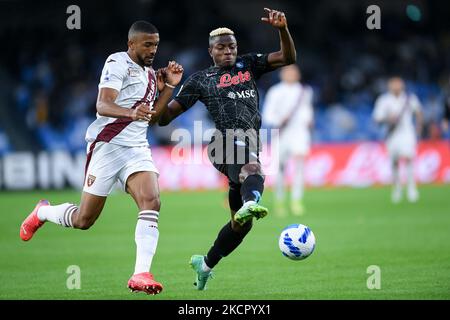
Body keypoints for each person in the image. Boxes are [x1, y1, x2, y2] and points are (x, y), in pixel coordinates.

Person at [19, 21, 184, 295]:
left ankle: (140, 273)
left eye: (155, 44)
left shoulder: (152, 75)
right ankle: (43, 212)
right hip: (107, 145)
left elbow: (152, 118)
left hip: (136, 148)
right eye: (147, 44)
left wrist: (169, 87)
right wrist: (130, 113)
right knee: (84, 220)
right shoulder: (116, 63)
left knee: (152, 200)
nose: (153, 49)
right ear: (131, 44)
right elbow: (102, 104)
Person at [157, 8, 296, 290]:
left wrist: (282, 29)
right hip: (222, 143)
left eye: (232, 46)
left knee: (240, 226)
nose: (228, 51)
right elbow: (163, 118)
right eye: (221, 47)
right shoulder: (200, 80)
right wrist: (168, 89)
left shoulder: (249, 65)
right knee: (253, 168)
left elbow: (288, 58)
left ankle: (205, 264)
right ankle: (251, 202)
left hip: (249, 143)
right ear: (211, 52)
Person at [262, 64, 313, 216]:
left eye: (294, 72)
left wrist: (309, 120)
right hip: (280, 133)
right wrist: (279, 120)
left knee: (299, 167)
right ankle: (279, 201)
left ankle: (297, 201)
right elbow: (268, 114)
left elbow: (307, 111)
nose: (291, 74)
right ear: (282, 74)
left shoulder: (305, 91)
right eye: (288, 72)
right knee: (280, 169)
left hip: (299, 133)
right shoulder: (275, 91)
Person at [373, 76, 423, 203]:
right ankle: (397, 188)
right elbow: (376, 118)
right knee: (394, 161)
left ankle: (411, 187)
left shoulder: (409, 98)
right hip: (392, 134)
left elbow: (419, 113)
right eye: (393, 84)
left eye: (398, 84)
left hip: (407, 133)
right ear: (389, 86)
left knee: (409, 158)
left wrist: (419, 128)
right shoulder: (384, 100)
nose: (396, 87)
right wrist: (388, 118)